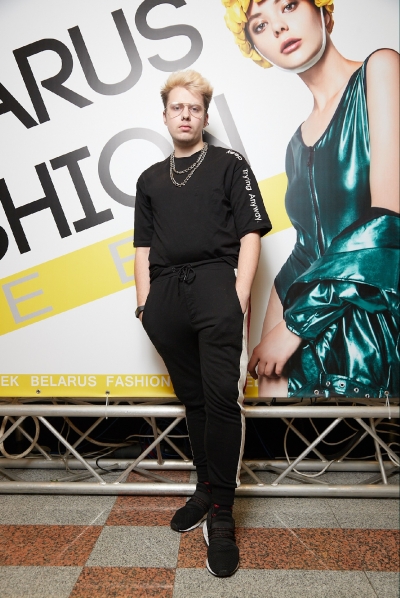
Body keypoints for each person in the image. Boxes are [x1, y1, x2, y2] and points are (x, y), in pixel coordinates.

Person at [223, 0, 399, 399]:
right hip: (309, 327)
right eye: (260, 26)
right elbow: (306, 251)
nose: (278, 28)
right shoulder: (296, 144)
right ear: (256, 49)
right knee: (270, 421)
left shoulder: (381, 69)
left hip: (375, 325)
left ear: (322, 10)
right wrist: (268, 342)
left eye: (288, 6)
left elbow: (390, 220)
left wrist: (294, 326)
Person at [133, 69, 272, 577]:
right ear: (165, 115)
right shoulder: (150, 179)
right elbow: (142, 247)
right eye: (178, 107)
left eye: (194, 108)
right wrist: (146, 307)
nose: (186, 115)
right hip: (166, 296)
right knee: (194, 401)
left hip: (216, 286)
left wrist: (238, 296)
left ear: (205, 116)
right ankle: (203, 489)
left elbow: (252, 233)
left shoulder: (230, 164)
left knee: (220, 401)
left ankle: (222, 514)